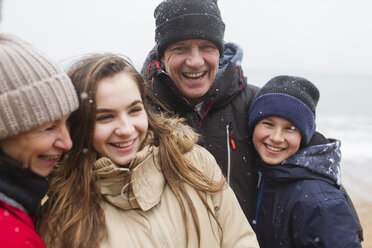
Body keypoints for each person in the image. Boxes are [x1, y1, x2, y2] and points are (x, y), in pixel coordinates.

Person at [39, 53, 259, 248]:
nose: (126, 129)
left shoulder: (194, 163)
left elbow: (240, 239)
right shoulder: (61, 214)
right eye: (105, 117)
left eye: (134, 110)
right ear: (79, 124)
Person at [141, 0, 259, 223]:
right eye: (180, 49)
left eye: (206, 47)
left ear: (220, 52)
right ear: (162, 57)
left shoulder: (257, 105)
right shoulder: (140, 112)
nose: (195, 61)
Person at [247, 75, 362, 247]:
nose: (277, 138)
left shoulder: (320, 201)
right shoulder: (266, 174)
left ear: (304, 136)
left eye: (290, 128)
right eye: (268, 124)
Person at [0, 33, 79, 247]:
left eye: (67, 123)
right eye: (48, 127)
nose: (67, 143)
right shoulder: (10, 236)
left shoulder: (19, 209)